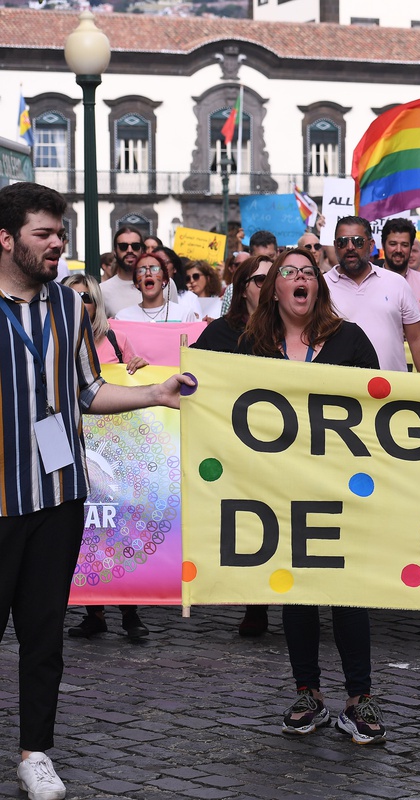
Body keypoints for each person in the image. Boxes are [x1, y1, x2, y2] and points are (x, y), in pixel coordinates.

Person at [0, 182, 192, 800]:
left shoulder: (67, 306)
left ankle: (36, 754)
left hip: (58, 494)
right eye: (44, 234)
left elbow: (86, 390)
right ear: (6, 240)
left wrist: (153, 395)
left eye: (60, 233)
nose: (58, 244)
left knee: (44, 632)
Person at [237, 247, 386, 745]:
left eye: (308, 273)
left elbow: (380, 400)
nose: (300, 279)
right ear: (273, 287)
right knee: (296, 593)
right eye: (289, 273)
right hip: (281, 491)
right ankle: (308, 693)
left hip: (343, 488)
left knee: (346, 593)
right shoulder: (252, 343)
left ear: (317, 287)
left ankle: (358, 699)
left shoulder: (348, 338)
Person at [59, 275, 152, 642]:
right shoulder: (57, 337)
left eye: (86, 296)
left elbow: (138, 381)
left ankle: (130, 613)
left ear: (97, 302)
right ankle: (93, 612)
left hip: (120, 448)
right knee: (86, 528)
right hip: (79, 444)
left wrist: (140, 368)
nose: (81, 302)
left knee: (118, 524)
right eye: (73, 295)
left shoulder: (116, 339)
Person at [191, 254, 273, 636]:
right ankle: (255, 602)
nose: (268, 287)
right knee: (254, 523)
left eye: (275, 279)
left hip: (291, 445)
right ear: (242, 289)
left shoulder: (299, 331)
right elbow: (194, 380)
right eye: (259, 281)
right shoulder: (220, 333)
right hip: (238, 447)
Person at [325, 215, 420, 373]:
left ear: (371, 245)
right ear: (335, 246)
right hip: (339, 391)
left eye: (357, 241)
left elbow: (417, 338)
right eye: (342, 242)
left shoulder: (397, 283)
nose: (350, 247)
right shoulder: (320, 286)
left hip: (392, 390)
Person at [113, 250, 200, 323]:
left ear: (164, 280)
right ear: (136, 283)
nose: (148, 273)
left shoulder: (184, 315)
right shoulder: (123, 318)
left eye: (154, 269)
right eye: (141, 270)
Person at [99, 225, 146, 316]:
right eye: (123, 246)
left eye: (135, 246)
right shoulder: (102, 291)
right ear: (115, 252)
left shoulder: (164, 285)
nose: (129, 250)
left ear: (142, 250)